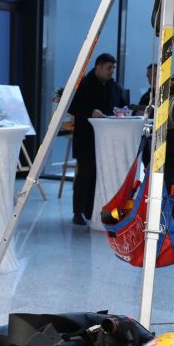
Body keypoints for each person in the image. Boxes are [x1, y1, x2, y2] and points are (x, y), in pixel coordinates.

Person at [69, 53, 127, 226]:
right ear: (98, 67)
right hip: (86, 139)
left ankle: (90, 211)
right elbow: (72, 107)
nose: (112, 71)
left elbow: (122, 104)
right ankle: (78, 211)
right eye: (109, 68)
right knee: (85, 175)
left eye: (113, 68)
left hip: (107, 140)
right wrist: (90, 112)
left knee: (98, 175)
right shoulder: (84, 84)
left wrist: (123, 111)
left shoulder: (113, 86)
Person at [139, 62, 174, 219]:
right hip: (150, 146)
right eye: (148, 76)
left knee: (169, 180)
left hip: (171, 146)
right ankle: (152, 214)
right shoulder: (147, 97)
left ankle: (170, 214)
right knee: (150, 180)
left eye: (154, 75)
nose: (151, 79)